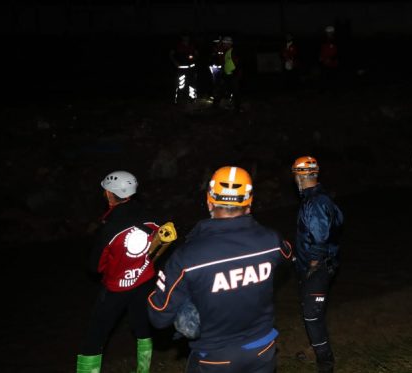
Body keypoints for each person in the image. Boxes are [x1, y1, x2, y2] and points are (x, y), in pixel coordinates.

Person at [148, 166, 292, 373]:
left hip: (214, 359)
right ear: (249, 203)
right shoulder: (272, 240)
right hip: (263, 351)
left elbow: (158, 317)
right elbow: (287, 257)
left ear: (209, 201)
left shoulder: (186, 257)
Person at [77, 171, 159, 373]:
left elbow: (95, 268)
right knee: (141, 325)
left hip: (116, 289)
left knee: (96, 333)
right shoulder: (150, 218)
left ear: (110, 194)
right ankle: (143, 370)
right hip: (144, 280)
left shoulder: (110, 228)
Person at [291, 156, 344, 373]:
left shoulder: (316, 201)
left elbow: (320, 238)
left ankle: (326, 362)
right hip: (319, 266)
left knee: (312, 315)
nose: (294, 179)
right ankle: (316, 349)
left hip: (319, 268)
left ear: (301, 176)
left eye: (295, 174)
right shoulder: (318, 198)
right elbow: (338, 222)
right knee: (313, 313)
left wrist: (313, 266)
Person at [170, 33, 199, 104]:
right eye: (184, 36)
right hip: (181, 69)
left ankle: (192, 99)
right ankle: (178, 99)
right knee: (180, 84)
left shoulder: (192, 45)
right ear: (182, 37)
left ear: (189, 37)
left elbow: (197, 54)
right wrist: (175, 62)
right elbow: (171, 54)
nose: (186, 38)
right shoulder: (177, 45)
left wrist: (194, 57)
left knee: (192, 84)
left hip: (191, 68)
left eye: (187, 36)